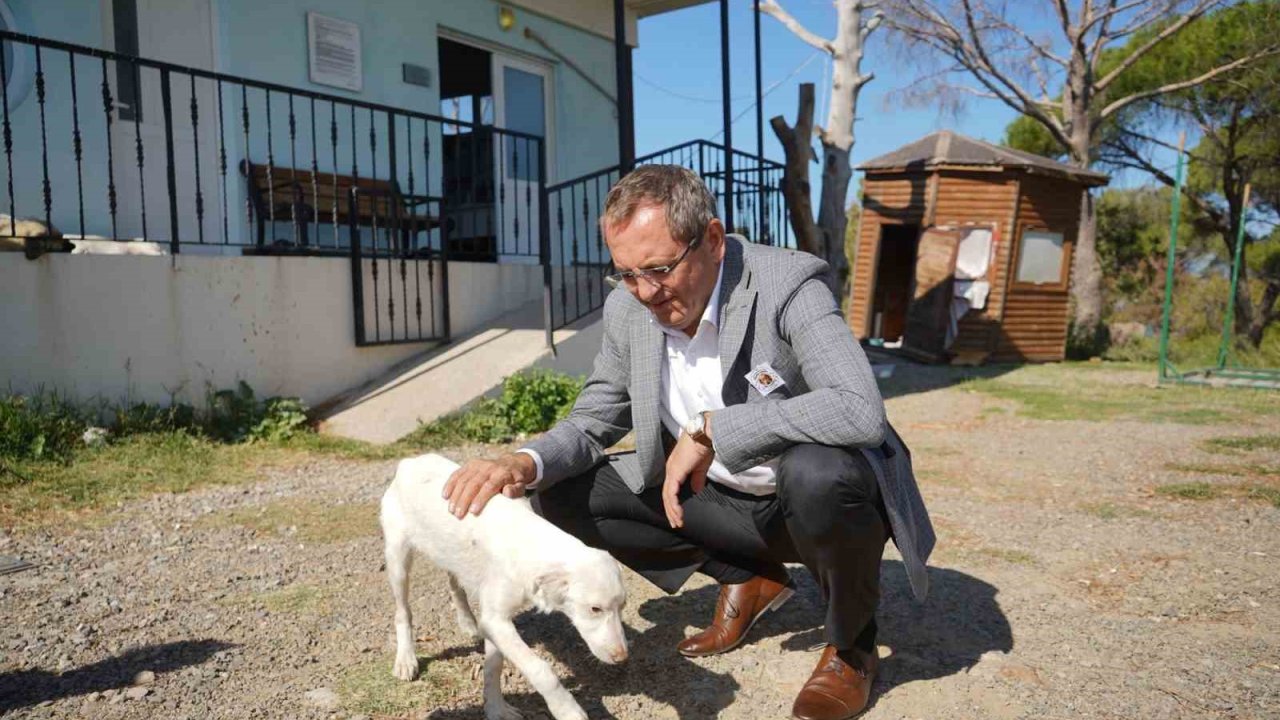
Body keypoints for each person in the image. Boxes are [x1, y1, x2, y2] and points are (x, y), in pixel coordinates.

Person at [443, 165, 934, 720]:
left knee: (817, 472)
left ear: (714, 241)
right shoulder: (630, 307)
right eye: (626, 273)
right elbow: (593, 419)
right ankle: (748, 579)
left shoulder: (788, 285)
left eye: (659, 269)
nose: (645, 291)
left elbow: (859, 409)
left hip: (815, 500)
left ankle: (852, 647)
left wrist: (712, 429)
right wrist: (522, 461)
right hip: (721, 500)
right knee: (561, 490)